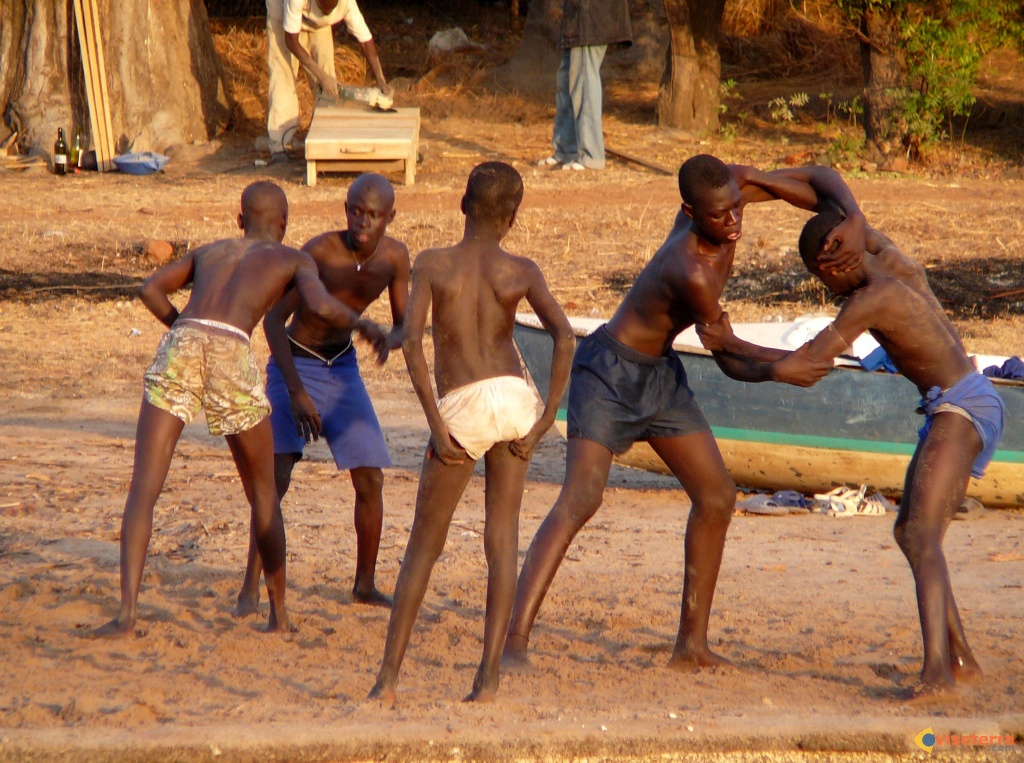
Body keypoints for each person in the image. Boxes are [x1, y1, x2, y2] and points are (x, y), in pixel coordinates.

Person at [501, 155, 868, 672]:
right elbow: (729, 357)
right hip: (608, 373)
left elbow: (819, 173)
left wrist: (850, 214)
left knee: (717, 497)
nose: (735, 222)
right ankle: (514, 639)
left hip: (659, 375)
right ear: (690, 212)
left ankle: (690, 647)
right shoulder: (690, 268)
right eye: (721, 216)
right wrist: (784, 367)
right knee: (581, 498)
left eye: (739, 209)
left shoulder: (730, 189)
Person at [697, 206, 1004, 702]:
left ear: (834, 265)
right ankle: (962, 659)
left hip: (960, 407)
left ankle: (938, 675)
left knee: (922, 538)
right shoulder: (887, 258)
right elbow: (830, 188)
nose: (825, 289)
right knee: (911, 532)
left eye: (820, 278)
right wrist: (755, 182)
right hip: (965, 399)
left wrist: (734, 343)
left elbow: (811, 364)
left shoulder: (871, 297)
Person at [92, 180, 388, 638]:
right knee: (264, 492)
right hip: (232, 349)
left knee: (144, 488)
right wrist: (362, 323)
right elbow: (320, 304)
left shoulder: (211, 250)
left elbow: (151, 288)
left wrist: (186, 331)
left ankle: (127, 614)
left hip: (182, 343)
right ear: (285, 226)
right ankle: (279, 614)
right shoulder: (293, 259)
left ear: (239, 220)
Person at [367, 162, 575, 703]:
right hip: (514, 399)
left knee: (423, 548)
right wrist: (548, 415)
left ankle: (388, 680)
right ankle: (487, 679)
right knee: (501, 541)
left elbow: (411, 343)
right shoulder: (521, 270)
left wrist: (437, 425)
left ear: (463, 204)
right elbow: (564, 336)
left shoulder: (434, 264)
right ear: (513, 217)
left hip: (460, 406)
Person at [233, 173, 409, 616]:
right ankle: (251, 586)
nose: (362, 222)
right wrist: (294, 391)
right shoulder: (318, 252)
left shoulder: (395, 258)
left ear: (391, 217)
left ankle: (364, 585)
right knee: (276, 477)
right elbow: (274, 322)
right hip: (296, 363)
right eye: (354, 210)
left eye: (373, 215)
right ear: (345, 207)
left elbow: (404, 323)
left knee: (370, 476)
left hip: (343, 367)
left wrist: (393, 338)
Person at [266, 0, 393, 163]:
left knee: (329, 87)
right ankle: (280, 147)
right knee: (283, 78)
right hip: (283, 14)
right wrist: (321, 75)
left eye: (330, 8)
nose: (327, 10)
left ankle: (323, 140)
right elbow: (291, 40)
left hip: (319, 26)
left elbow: (365, 40)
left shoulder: (347, 4)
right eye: (323, 7)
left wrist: (381, 79)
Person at [537, 0, 631, 172]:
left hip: (592, 17)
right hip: (578, 17)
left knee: (584, 82)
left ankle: (591, 156)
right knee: (566, 79)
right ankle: (566, 150)